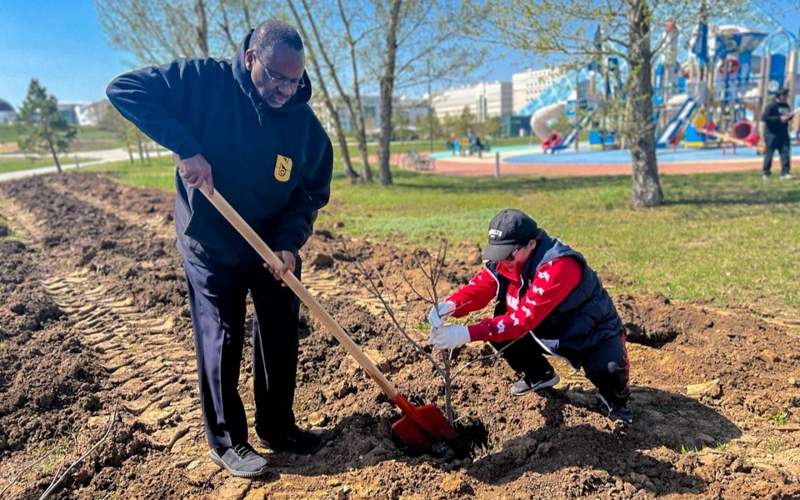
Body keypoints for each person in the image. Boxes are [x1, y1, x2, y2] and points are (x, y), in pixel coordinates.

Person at [107, 20, 333, 477]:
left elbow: (311, 191)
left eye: (295, 80)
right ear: (251, 57)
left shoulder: (305, 129)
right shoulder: (203, 81)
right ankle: (227, 440)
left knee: (280, 329)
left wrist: (288, 244)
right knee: (222, 333)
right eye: (276, 77)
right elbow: (124, 88)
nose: (286, 90)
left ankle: (278, 425)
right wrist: (187, 147)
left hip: (271, 244)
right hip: (210, 237)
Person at [427, 209, 632, 423]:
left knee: (610, 370)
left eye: (508, 254)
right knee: (501, 328)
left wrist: (467, 333)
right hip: (547, 325)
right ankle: (539, 375)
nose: (502, 260)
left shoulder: (558, 265)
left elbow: (524, 320)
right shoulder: (507, 260)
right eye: (498, 253)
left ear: (531, 244)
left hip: (591, 330)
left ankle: (617, 403)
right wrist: (452, 304)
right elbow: (482, 286)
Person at [761, 88, 795, 180]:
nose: (786, 97)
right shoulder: (771, 105)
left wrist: (790, 116)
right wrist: (779, 119)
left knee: (785, 152)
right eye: (785, 95)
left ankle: (785, 172)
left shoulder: (786, 106)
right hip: (772, 134)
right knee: (769, 153)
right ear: (780, 96)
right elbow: (765, 118)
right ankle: (766, 173)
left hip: (783, 133)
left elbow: (787, 117)